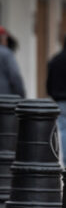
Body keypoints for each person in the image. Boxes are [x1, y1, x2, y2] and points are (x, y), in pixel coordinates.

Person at [47, 36, 66, 167]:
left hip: (60, 100)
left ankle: (65, 160)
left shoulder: (55, 60)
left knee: (64, 130)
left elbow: (48, 84)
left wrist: (54, 95)